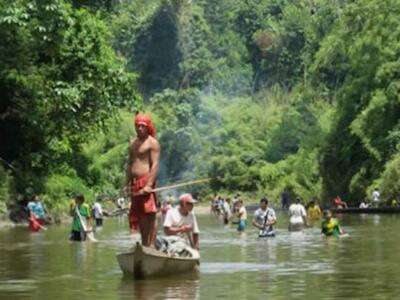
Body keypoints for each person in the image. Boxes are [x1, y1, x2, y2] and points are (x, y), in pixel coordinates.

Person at [125, 113, 160, 247]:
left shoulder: (153, 143)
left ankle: (151, 244)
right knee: (139, 215)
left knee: (149, 213)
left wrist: (149, 184)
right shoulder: (132, 143)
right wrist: (126, 183)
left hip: (146, 181)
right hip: (135, 182)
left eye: (143, 126)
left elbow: (155, 164)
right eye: (137, 125)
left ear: (148, 127)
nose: (140, 128)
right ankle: (145, 243)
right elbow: (129, 164)